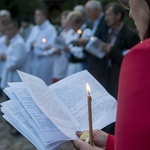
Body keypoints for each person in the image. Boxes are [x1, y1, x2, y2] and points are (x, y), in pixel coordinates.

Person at [73, 0, 150, 149]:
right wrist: (110, 141)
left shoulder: (143, 54)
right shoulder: (107, 31)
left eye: (130, 3)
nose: (130, 13)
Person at [26, 7, 57, 85]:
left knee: (44, 83)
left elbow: (51, 46)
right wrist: (33, 45)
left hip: (45, 60)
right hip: (34, 60)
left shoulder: (51, 29)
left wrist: (36, 45)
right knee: (34, 84)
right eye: (35, 15)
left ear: (44, 16)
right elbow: (28, 42)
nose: (35, 17)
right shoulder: (34, 29)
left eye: (38, 15)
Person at [0, 19, 27, 89]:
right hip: (10, 78)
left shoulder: (19, 43)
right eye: (6, 30)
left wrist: (6, 58)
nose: (7, 32)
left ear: (16, 30)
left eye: (9, 30)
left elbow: (17, 61)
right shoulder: (12, 41)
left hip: (15, 79)